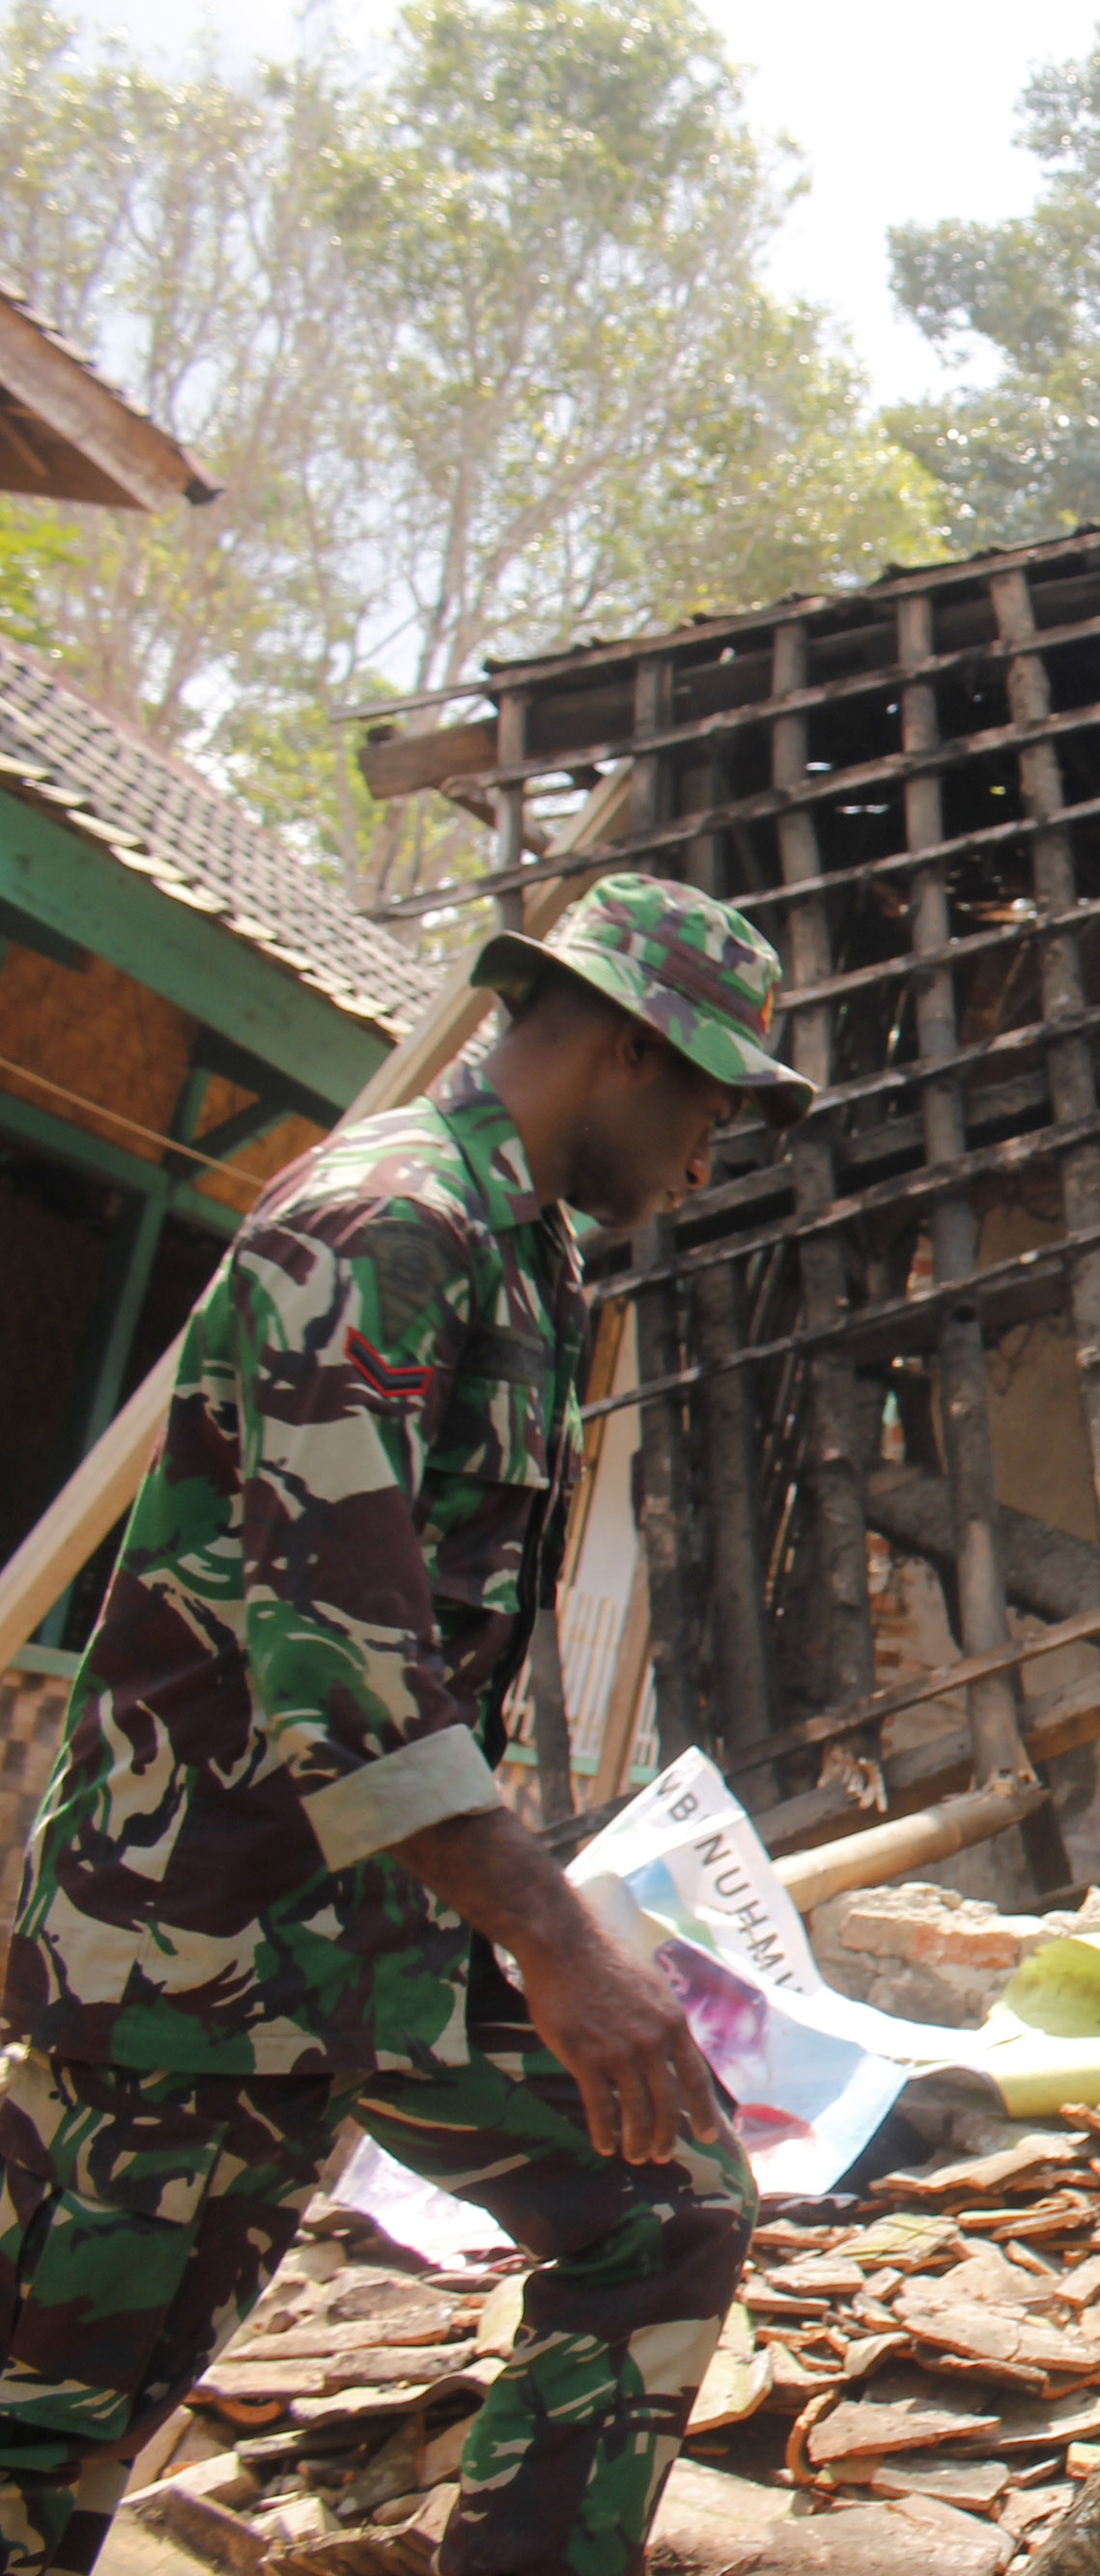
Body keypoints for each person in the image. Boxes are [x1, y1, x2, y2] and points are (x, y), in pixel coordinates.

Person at [1, 877, 816, 2576]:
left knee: (668, 2207)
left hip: (364, 1949)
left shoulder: (530, 1260)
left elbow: (436, 1662)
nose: (708, 1154)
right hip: (190, 1953)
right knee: (49, 2442)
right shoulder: (381, 1228)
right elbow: (343, 1663)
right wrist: (557, 1935)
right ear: (616, 1049)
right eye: (708, 1105)